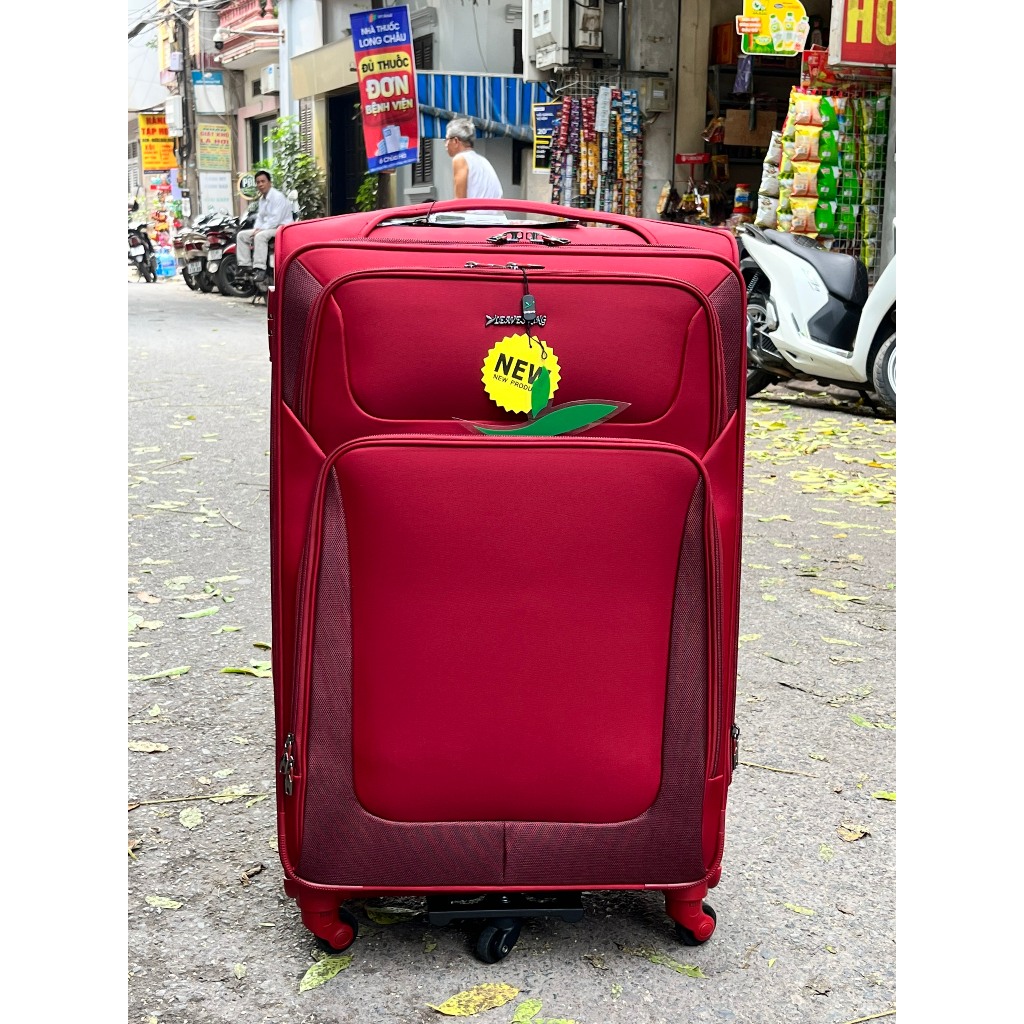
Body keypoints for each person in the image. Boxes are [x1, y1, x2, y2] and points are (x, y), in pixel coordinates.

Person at [235, 170, 294, 283]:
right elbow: (260, 218)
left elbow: (275, 220)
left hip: (282, 228)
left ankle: (260, 269)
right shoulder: (262, 199)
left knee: (260, 236)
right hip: (269, 228)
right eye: (258, 182)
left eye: (263, 181)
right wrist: (256, 229)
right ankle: (245, 266)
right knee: (241, 235)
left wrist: (259, 230)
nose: (260, 184)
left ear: (269, 183)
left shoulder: (278, 197)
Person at [445, 118, 503, 200]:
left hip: (476, 208)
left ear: (455, 141)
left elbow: (459, 201)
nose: (446, 144)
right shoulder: (483, 161)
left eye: (447, 139)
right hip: (494, 208)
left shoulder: (460, 159)